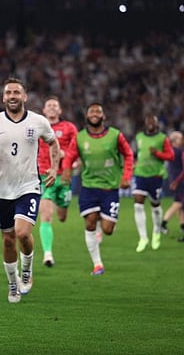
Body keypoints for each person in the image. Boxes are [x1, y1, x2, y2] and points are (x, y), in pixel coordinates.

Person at [0, 78, 60, 303]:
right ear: (3, 97)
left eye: (16, 92)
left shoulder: (38, 121)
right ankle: (13, 284)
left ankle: (27, 270)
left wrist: (54, 168)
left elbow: (53, 143)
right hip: (3, 190)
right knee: (8, 240)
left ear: (24, 97)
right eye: (8, 92)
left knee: (22, 233)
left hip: (29, 185)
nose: (12, 96)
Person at [61, 102, 134, 276]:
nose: (94, 113)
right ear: (87, 116)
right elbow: (70, 156)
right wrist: (66, 171)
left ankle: (105, 224)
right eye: (91, 111)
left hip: (110, 188)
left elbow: (129, 154)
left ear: (103, 116)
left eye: (98, 111)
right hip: (88, 187)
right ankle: (97, 264)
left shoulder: (115, 135)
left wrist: (126, 176)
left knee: (108, 229)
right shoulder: (79, 138)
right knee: (90, 222)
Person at [37, 96, 78, 267]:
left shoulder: (69, 128)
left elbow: (78, 151)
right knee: (46, 215)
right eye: (49, 105)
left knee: (62, 216)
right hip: (44, 175)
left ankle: (63, 205)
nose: (52, 107)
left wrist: (67, 157)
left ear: (60, 111)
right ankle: (48, 254)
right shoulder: (37, 127)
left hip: (64, 177)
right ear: (44, 110)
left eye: (55, 105)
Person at [132, 115, 174, 252]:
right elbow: (138, 154)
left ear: (157, 124)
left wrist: (157, 153)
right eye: (148, 121)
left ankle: (156, 231)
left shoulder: (162, 138)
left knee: (155, 205)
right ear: (145, 123)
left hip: (155, 176)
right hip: (140, 174)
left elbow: (171, 156)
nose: (150, 123)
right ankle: (143, 238)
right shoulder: (139, 137)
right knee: (138, 204)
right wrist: (134, 164)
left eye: (153, 121)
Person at [160, 131, 184, 240]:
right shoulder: (180, 151)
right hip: (180, 181)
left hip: (173, 179)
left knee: (180, 204)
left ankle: (182, 225)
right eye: (180, 139)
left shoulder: (169, 152)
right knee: (179, 203)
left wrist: (173, 181)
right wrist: (177, 181)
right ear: (175, 141)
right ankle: (163, 223)